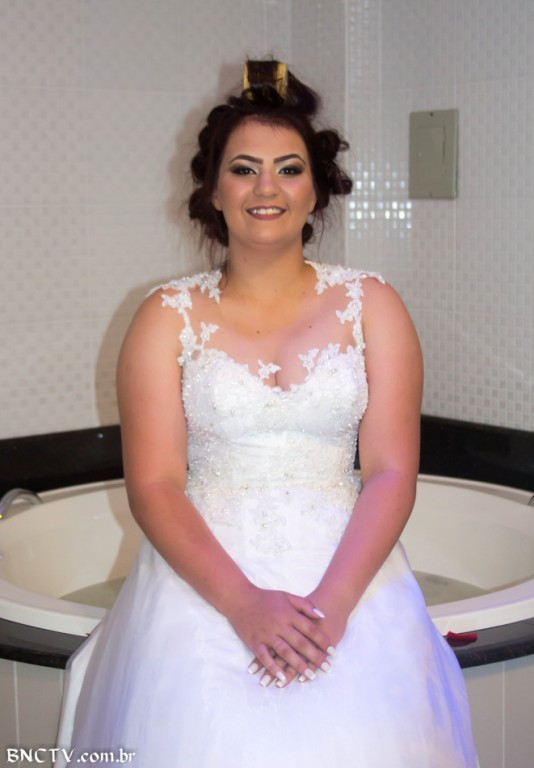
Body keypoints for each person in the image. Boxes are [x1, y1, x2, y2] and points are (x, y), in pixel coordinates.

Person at [56, 60, 478, 767]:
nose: (266, 189)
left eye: (289, 169)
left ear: (315, 190)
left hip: (348, 573)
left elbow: (390, 471)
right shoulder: (165, 315)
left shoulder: (373, 304)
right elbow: (154, 485)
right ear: (213, 190)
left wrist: (333, 609)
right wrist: (244, 605)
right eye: (244, 170)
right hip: (205, 579)